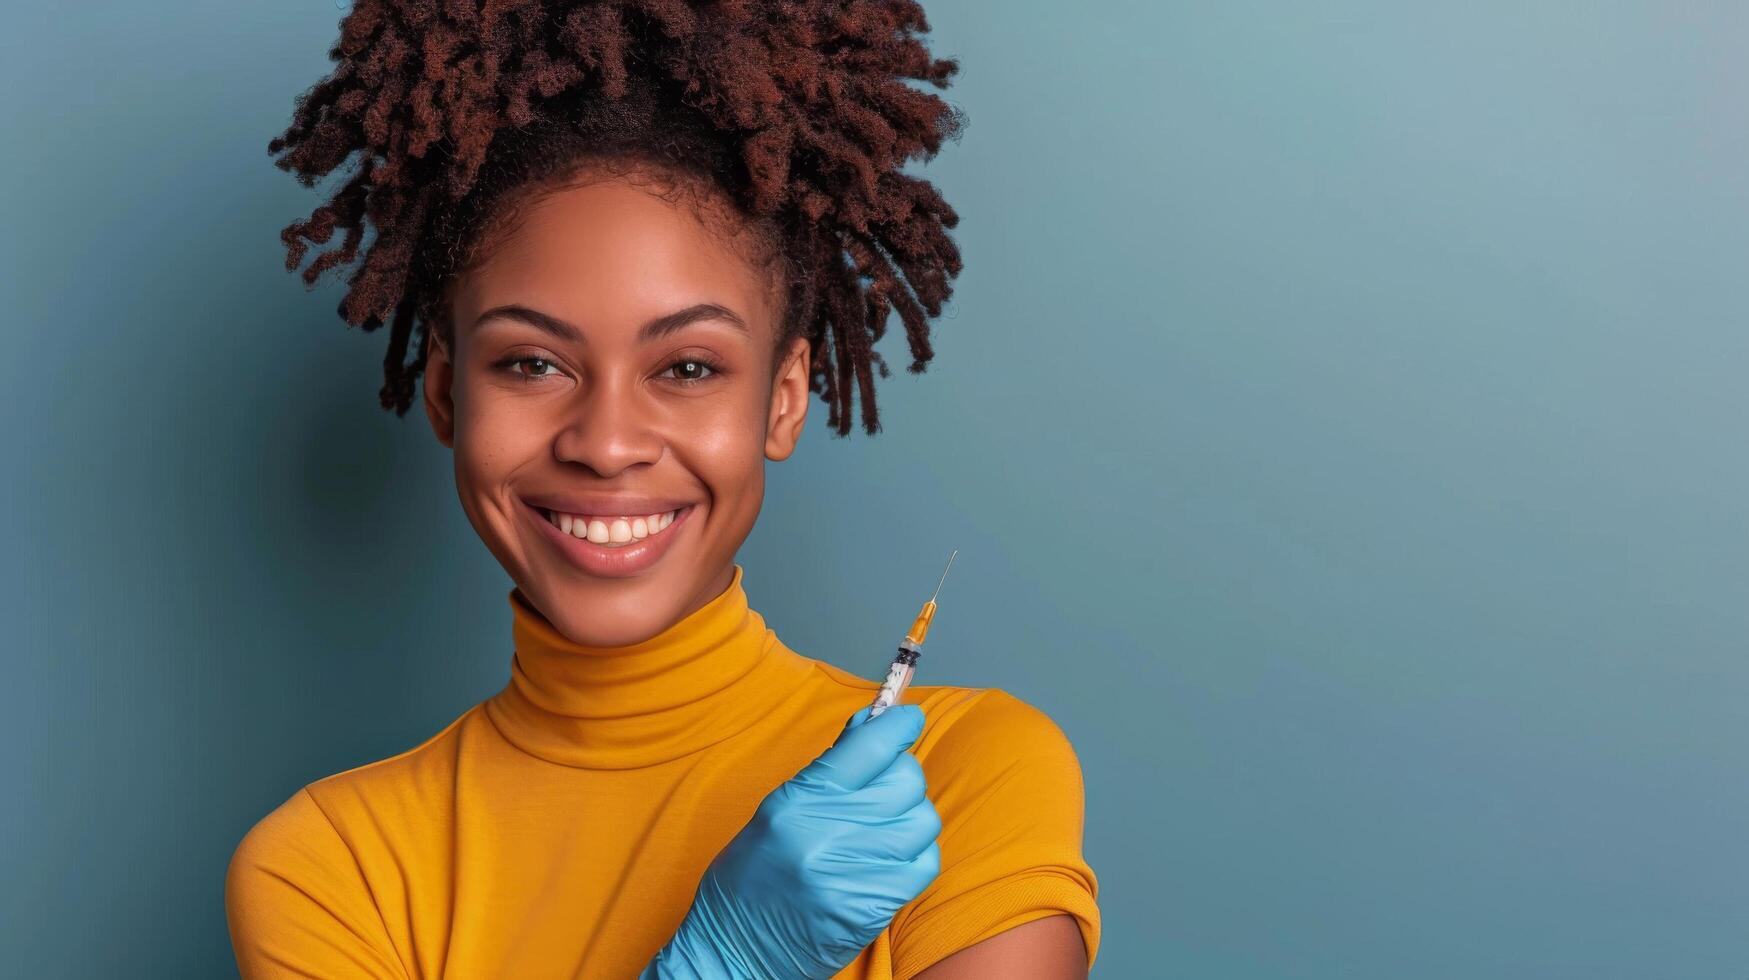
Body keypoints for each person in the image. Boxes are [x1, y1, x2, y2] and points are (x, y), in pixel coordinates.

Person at [225, 2, 1099, 977]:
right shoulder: (329, 869)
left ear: (784, 398)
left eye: (687, 368)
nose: (604, 444)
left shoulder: (957, 776)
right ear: (445, 391)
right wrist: (721, 961)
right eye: (530, 363)